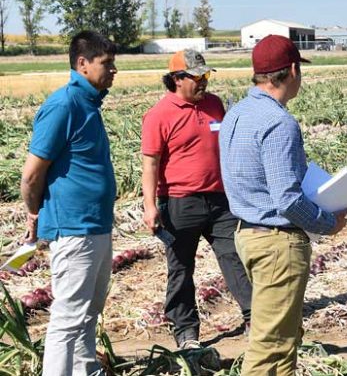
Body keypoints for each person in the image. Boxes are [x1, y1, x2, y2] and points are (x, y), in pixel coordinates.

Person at [219, 35, 347, 375]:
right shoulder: (279, 123)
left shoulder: (236, 113)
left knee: (283, 340)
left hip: (247, 234)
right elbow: (287, 199)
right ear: (292, 70)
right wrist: (328, 222)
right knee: (270, 346)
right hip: (277, 242)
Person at [141, 50, 253, 349]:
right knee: (180, 268)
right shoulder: (159, 115)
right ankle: (186, 332)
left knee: (236, 258)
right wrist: (150, 206)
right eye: (197, 76)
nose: (204, 82)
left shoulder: (214, 104)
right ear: (177, 79)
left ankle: (254, 318)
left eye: (206, 76)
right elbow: (150, 164)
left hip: (220, 200)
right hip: (179, 203)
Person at [20, 30, 117, 376]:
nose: (113, 70)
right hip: (74, 228)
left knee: (88, 312)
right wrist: (34, 212)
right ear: (82, 63)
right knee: (68, 317)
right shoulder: (64, 105)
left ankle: (85, 371)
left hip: (96, 224)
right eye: (106, 63)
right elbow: (32, 174)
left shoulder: (88, 104)